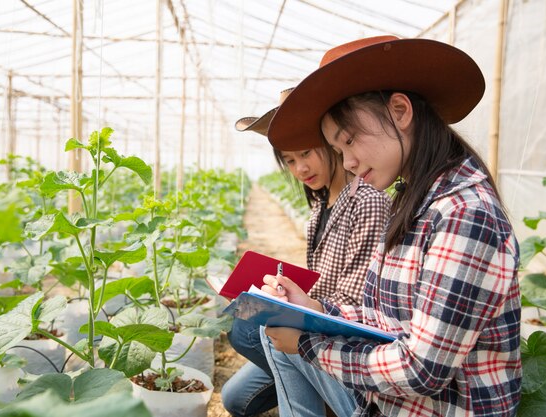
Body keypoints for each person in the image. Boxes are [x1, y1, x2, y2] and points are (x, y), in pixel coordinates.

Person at [258, 35, 521, 417]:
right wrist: (313, 305)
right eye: (338, 150)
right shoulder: (415, 201)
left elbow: (421, 369)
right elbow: (384, 320)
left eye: (348, 140)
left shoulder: (465, 215)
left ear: (400, 110)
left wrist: (306, 344)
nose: (347, 162)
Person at [222, 89, 391, 417]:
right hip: (320, 321)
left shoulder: (367, 201)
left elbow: (354, 305)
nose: (300, 168)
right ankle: (314, 386)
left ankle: (325, 394)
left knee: (250, 328)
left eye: (305, 154)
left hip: (345, 340)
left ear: (331, 144)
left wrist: (292, 306)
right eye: (290, 160)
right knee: (234, 398)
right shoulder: (321, 204)